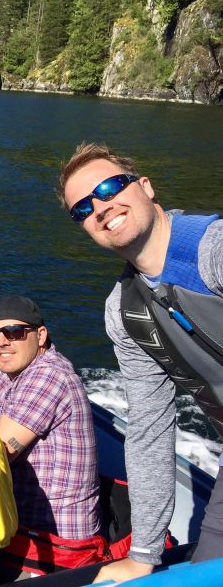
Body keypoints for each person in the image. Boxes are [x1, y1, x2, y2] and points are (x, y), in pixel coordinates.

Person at [58, 142, 223, 582]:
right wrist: (144, 553)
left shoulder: (213, 251)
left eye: (110, 186)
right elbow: (150, 428)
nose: (100, 206)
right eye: (82, 209)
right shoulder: (125, 311)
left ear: (145, 187)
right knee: (203, 574)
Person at [0, 295, 102, 579]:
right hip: (21, 526)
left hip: (52, 544)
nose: (2, 342)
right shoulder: (18, 371)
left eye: (14, 332)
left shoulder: (49, 376)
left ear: (40, 335)